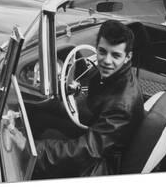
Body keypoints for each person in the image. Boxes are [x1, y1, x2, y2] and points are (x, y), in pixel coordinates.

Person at [9, 20, 145, 178]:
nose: (107, 61)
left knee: (29, 157)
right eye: (102, 51)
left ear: (128, 57)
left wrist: (30, 148)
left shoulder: (122, 105)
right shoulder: (112, 76)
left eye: (115, 55)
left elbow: (87, 150)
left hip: (98, 166)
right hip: (97, 138)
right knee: (40, 117)